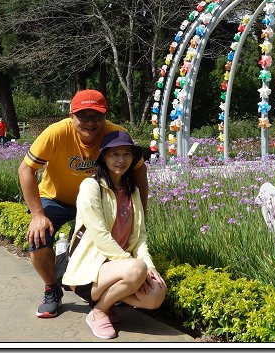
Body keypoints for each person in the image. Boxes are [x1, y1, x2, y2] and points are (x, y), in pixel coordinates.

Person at [17, 89, 149, 319]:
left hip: (97, 199)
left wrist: (141, 215)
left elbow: (140, 173)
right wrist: (38, 214)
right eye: (83, 116)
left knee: (109, 239)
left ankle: (96, 290)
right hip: (56, 198)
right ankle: (52, 289)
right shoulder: (56, 133)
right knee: (37, 238)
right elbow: (26, 169)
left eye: (97, 116)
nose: (91, 122)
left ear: (105, 116)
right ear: (71, 116)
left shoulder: (115, 134)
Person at [62, 130, 165, 339]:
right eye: (114, 154)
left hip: (121, 268)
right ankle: (99, 311)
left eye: (126, 154)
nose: (121, 160)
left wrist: (150, 266)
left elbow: (140, 237)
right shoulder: (91, 186)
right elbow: (100, 236)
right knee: (137, 269)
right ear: (103, 157)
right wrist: (136, 267)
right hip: (90, 270)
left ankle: (107, 303)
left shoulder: (132, 191)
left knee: (156, 294)